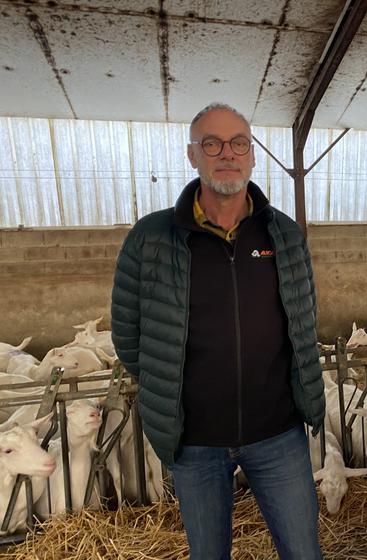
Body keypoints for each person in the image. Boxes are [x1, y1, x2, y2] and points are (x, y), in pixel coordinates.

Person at [110, 102, 324, 560]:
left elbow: (304, 321)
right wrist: (167, 387)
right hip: (194, 441)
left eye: (238, 143)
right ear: (193, 155)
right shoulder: (151, 238)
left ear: (251, 154)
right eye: (212, 143)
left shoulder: (283, 235)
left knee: (304, 551)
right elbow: (127, 334)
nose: (227, 153)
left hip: (278, 434)